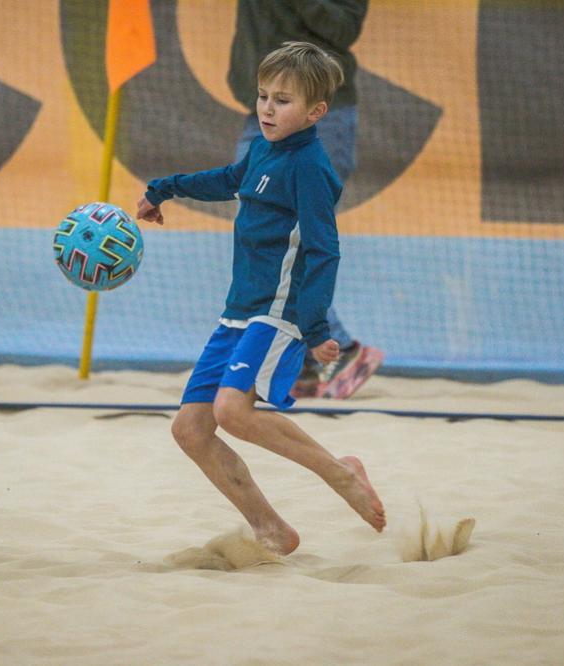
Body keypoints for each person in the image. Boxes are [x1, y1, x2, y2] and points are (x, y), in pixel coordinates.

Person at [136, 42, 385, 555]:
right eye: (264, 96)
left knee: (233, 411)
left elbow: (324, 250)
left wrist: (315, 329)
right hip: (238, 312)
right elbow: (229, 180)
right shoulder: (264, 148)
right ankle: (271, 528)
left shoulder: (310, 167)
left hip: (278, 312)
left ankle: (340, 473)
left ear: (316, 111)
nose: (268, 109)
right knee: (190, 430)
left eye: (283, 100)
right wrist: (164, 188)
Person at [227, 0, 383, 400]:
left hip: (318, 118)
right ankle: (306, 359)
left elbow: (343, 29)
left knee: (291, 243)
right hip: (263, 110)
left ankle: (337, 350)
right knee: (261, 239)